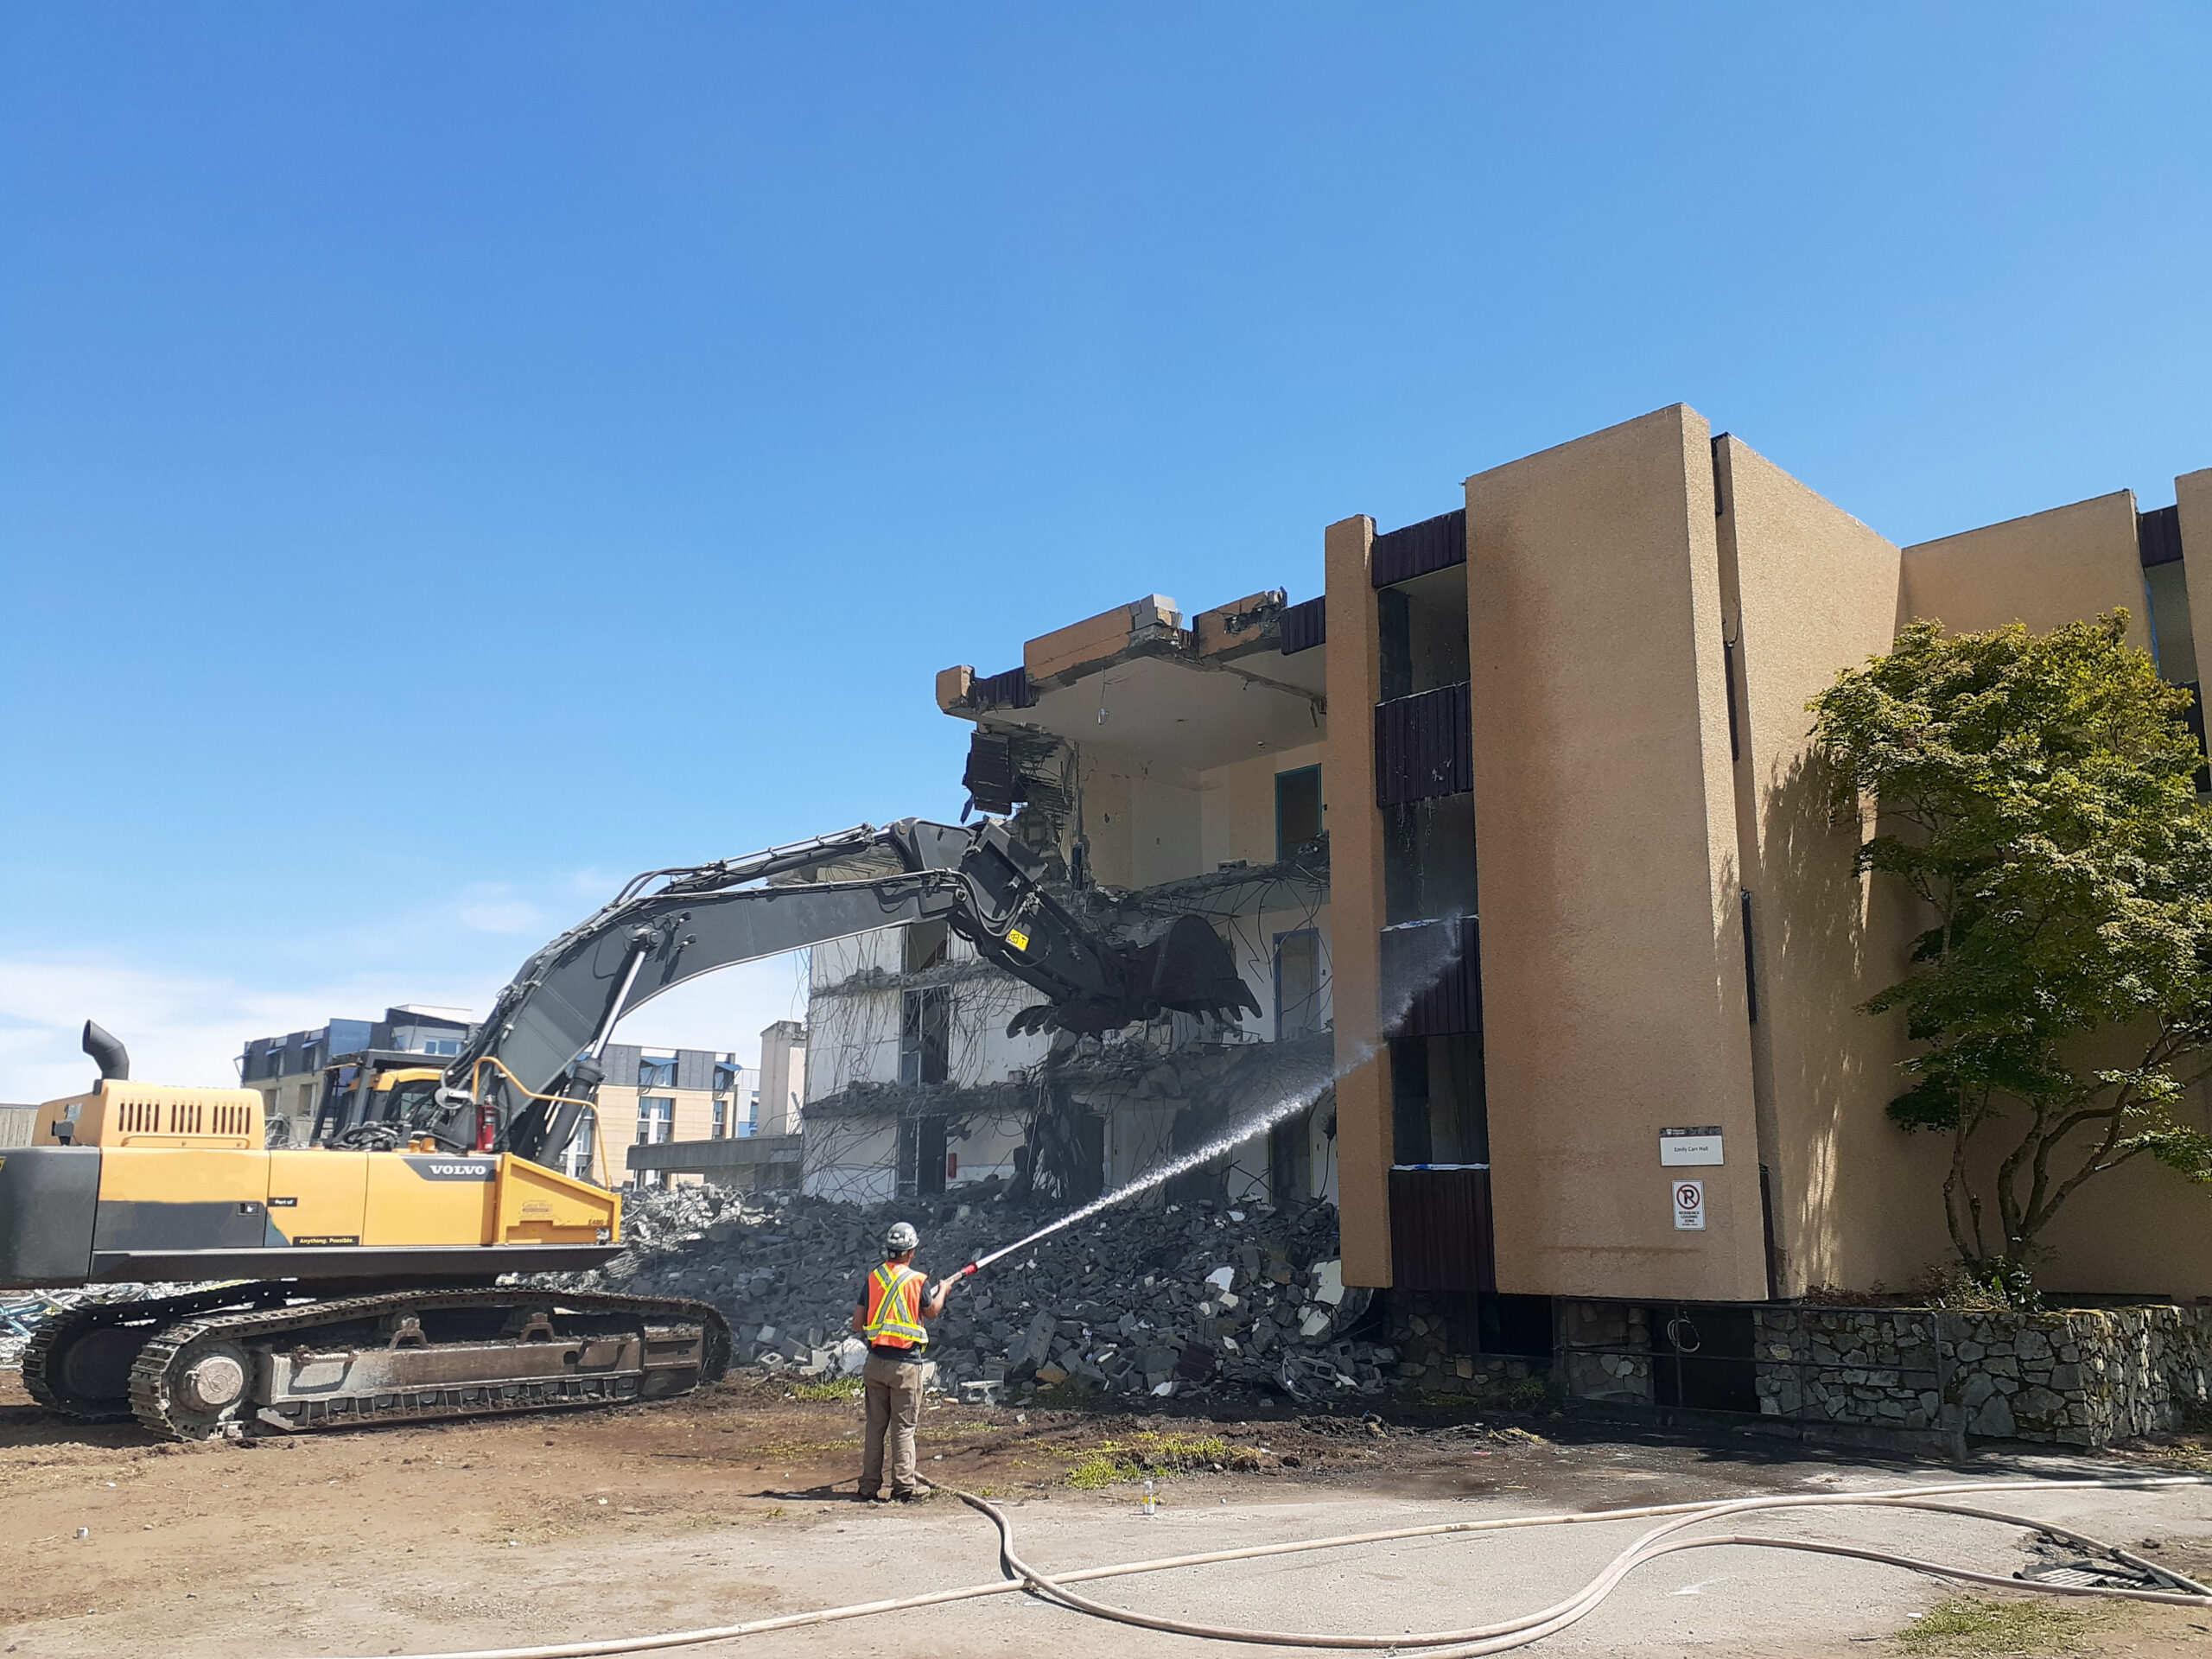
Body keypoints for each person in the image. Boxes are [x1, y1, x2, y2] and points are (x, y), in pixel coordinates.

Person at [851, 1219, 954, 1502]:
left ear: (889, 1250)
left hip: (874, 1365)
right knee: (903, 1428)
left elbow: (857, 1324)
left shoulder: (873, 1278)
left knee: (875, 1428)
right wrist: (943, 1290)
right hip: (905, 1367)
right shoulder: (918, 1281)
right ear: (911, 1252)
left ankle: (868, 1486)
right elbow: (931, 1313)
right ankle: (904, 1487)